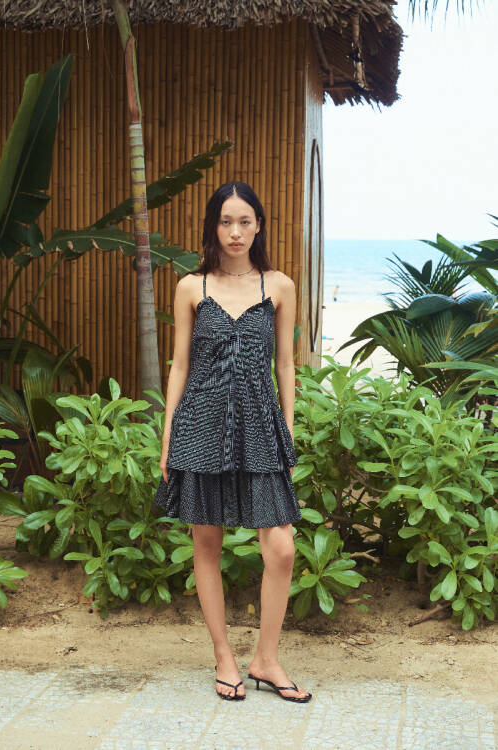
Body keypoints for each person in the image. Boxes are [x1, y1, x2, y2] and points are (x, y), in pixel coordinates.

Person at [154, 181, 312, 704]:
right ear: (213, 226)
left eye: (245, 221)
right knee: (207, 542)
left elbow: (285, 364)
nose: (236, 232)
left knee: (281, 546)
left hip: (261, 424)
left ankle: (266, 658)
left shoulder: (280, 286)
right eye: (226, 222)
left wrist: (288, 430)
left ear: (259, 225)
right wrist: (168, 434)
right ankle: (224, 656)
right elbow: (180, 365)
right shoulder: (191, 286)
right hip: (200, 423)